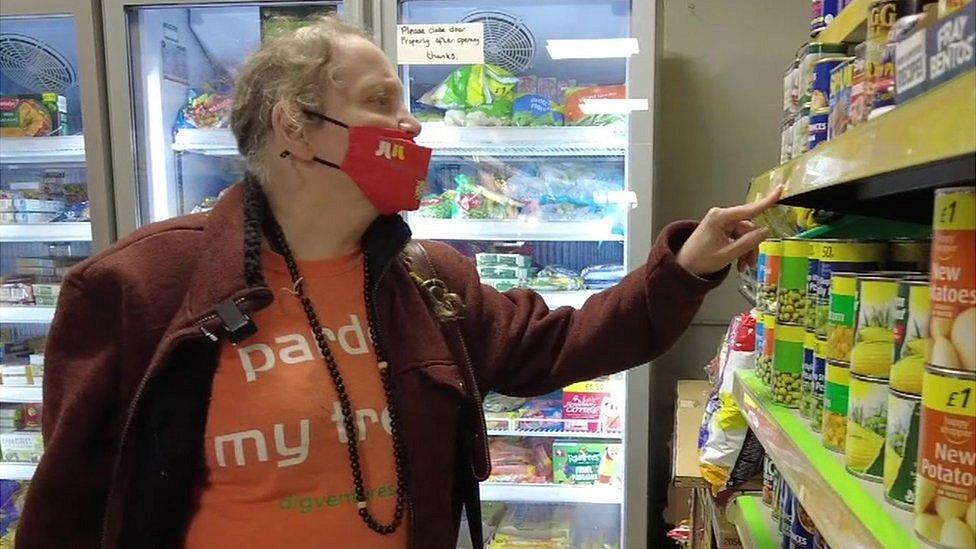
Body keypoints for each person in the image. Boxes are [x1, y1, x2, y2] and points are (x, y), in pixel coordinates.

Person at [16, 16, 780, 549]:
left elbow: (563, 343)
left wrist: (689, 266)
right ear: (295, 126)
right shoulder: (138, 288)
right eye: (380, 102)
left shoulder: (428, 278)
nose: (411, 125)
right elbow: (70, 513)